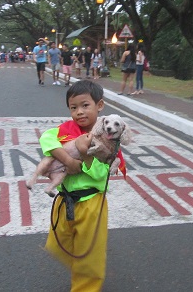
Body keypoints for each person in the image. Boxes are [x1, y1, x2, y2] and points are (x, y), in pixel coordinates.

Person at [40, 80, 119, 291]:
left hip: (91, 203)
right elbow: (47, 140)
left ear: (99, 105)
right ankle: (80, 268)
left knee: (89, 255)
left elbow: (103, 174)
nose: (79, 112)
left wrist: (85, 155)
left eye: (85, 105)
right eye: (73, 108)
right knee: (56, 245)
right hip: (64, 201)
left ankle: (85, 283)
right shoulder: (64, 130)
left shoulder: (108, 140)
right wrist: (67, 161)